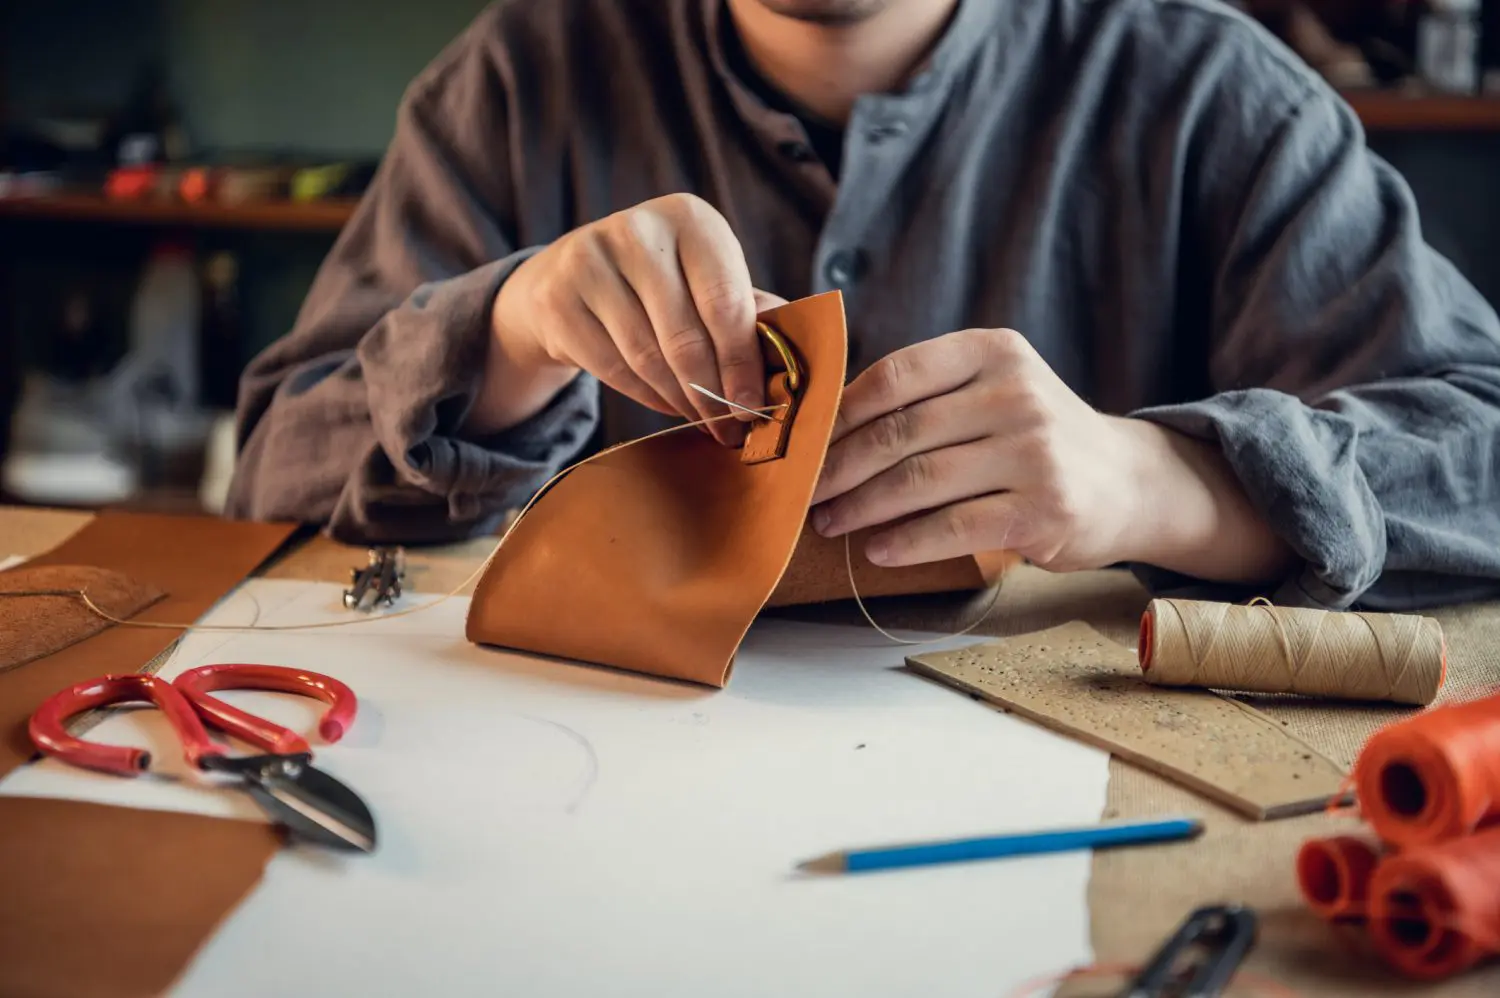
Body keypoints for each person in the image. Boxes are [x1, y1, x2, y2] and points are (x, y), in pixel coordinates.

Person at [226, 0, 1500, 612]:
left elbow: (1481, 451)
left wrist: (1164, 480)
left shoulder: (1214, 94)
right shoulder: (520, 78)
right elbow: (271, 474)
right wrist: (504, 341)